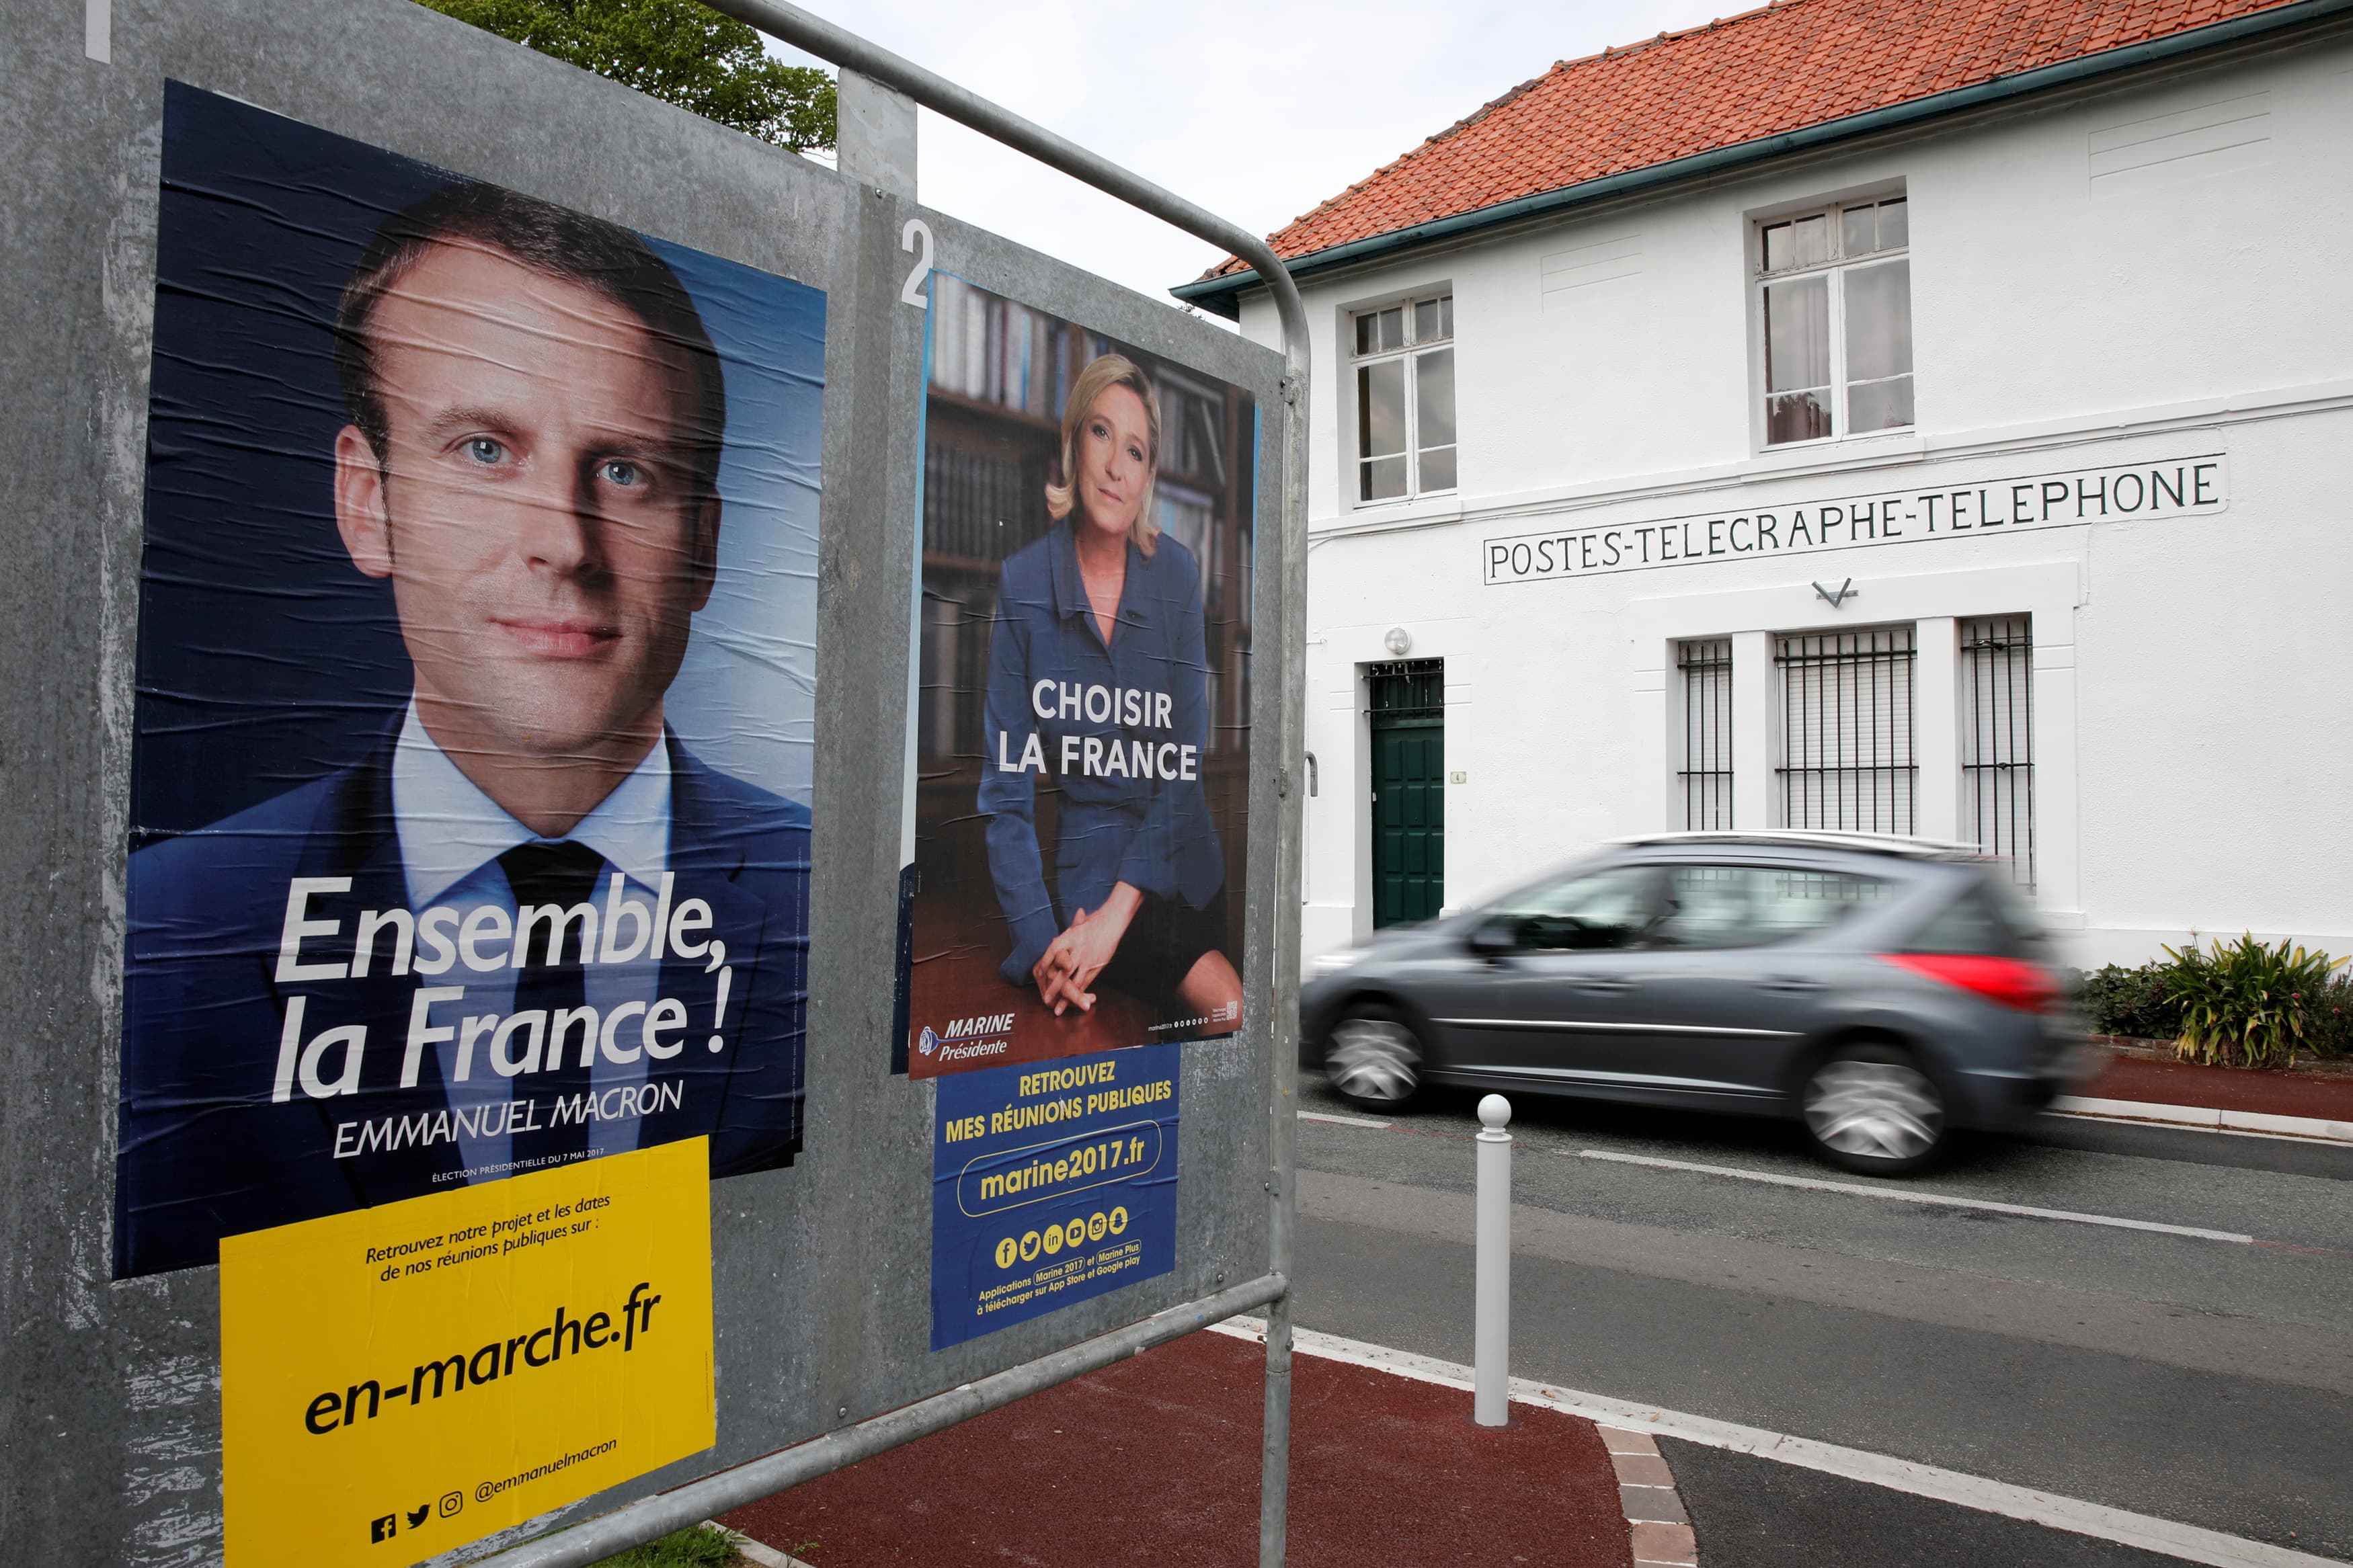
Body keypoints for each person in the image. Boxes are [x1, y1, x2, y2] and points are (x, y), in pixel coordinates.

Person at [114, 182, 809, 1278]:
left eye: (625, 470)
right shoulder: (157, 942)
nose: (564, 544)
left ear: (706, 544)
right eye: (485, 449)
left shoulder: (839, 900)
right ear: (367, 501)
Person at [978, 355, 1244, 1030]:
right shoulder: (1022, 583)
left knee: (1232, 1012)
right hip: (1089, 876)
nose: (1116, 466)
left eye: (1135, 450)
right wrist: (1045, 947)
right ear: (1073, 445)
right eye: (1100, 434)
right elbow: (1004, 797)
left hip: (1180, 862)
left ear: (1148, 475)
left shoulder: (1177, 574)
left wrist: (1111, 922)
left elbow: (1180, 766)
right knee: (1215, 1011)